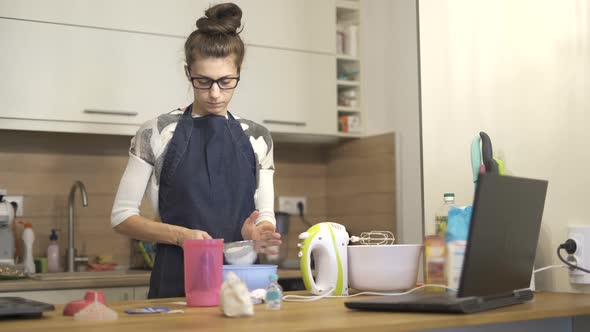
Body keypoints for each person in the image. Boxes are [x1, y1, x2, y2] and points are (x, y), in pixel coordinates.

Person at [110, 2, 281, 299]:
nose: (215, 93)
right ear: (188, 73)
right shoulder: (156, 133)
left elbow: (265, 214)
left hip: (242, 286)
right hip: (176, 281)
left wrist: (258, 232)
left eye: (226, 82)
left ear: (239, 72)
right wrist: (181, 236)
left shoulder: (258, 137)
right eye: (203, 82)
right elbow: (122, 217)